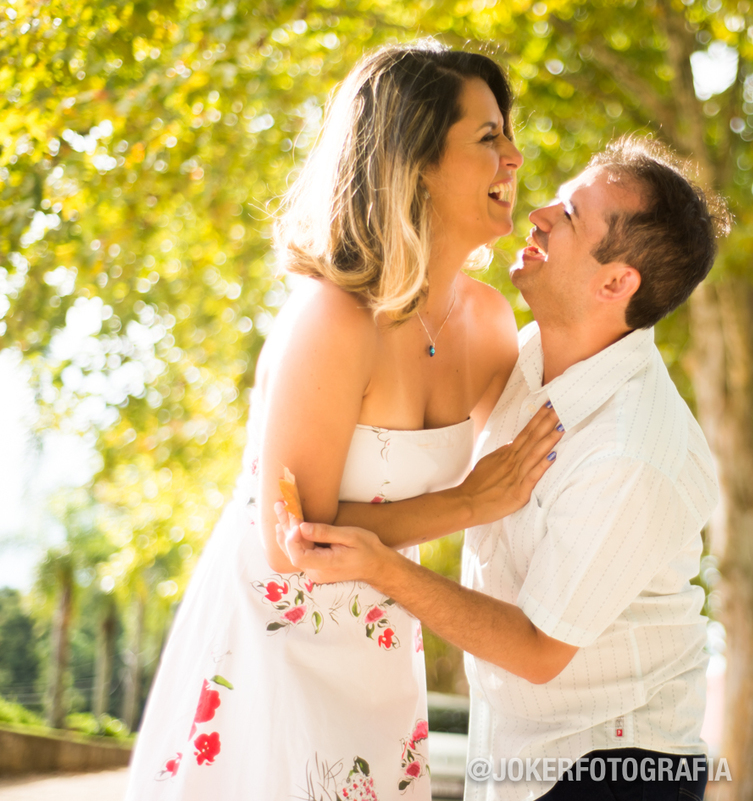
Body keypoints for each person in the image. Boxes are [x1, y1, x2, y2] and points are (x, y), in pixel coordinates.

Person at [126, 43, 564, 801]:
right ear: (413, 159)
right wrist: (466, 504)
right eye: (488, 138)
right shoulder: (332, 318)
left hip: (380, 646)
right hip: (274, 649)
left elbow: (544, 462)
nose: (515, 158)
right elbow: (292, 538)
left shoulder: (492, 323)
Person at [282, 137, 731, 801]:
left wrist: (381, 564)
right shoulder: (528, 358)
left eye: (571, 215)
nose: (539, 214)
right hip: (532, 758)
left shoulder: (631, 450)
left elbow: (536, 649)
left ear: (615, 282)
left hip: (616, 770)